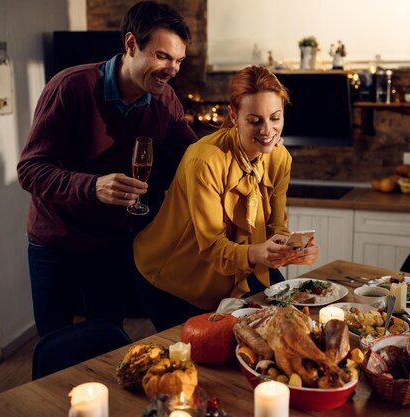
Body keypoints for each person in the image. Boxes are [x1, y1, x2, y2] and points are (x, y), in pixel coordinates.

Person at [17, 1, 197, 337]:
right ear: (131, 45)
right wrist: (92, 187)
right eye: (162, 56)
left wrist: (250, 137)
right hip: (56, 244)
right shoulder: (70, 87)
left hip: (111, 244)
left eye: (178, 60)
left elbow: (196, 154)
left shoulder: (165, 99)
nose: (173, 69)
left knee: (107, 340)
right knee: (54, 348)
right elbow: (30, 169)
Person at [133, 66, 319, 331]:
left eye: (275, 118)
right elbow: (211, 247)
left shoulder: (279, 158)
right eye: (255, 120)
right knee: (197, 360)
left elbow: (276, 227)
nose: (268, 130)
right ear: (234, 115)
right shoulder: (204, 160)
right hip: (172, 278)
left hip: (233, 273)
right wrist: (260, 252)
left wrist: (294, 248)